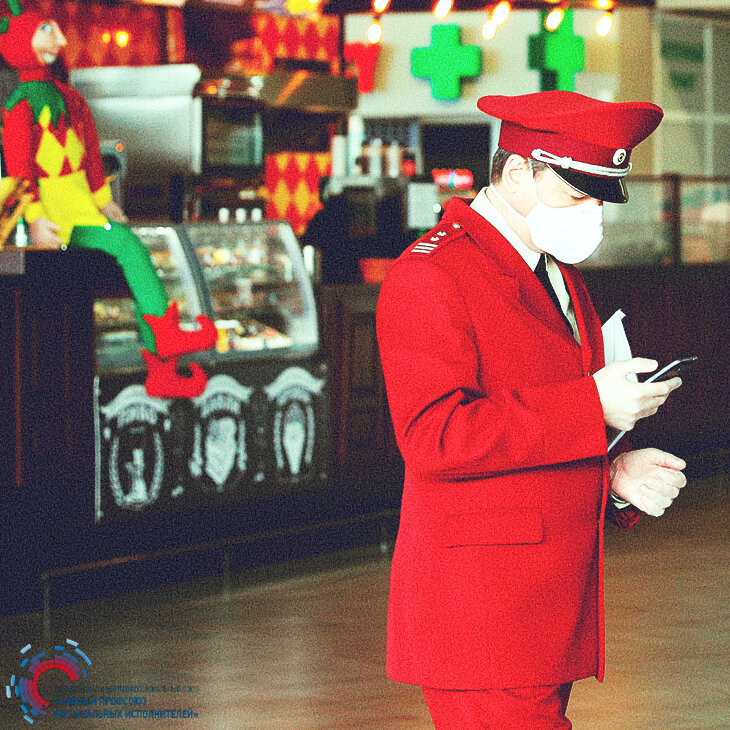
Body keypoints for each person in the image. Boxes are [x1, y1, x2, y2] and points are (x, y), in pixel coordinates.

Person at [376, 90, 688, 729]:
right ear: (517, 171)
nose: (592, 214)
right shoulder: (432, 275)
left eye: (600, 199)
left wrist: (615, 474)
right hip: (483, 611)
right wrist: (593, 404)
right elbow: (435, 436)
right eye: (576, 195)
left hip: (542, 605)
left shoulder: (554, 269)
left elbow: (541, 417)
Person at [0, 2, 216, 398]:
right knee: (130, 249)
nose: (59, 39)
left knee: (129, 255)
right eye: (46, 30)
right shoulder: (20, 107)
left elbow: (91, 159)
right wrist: (35, 216)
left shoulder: (71, 100)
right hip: (60, 214)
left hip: (79, 207)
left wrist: (102, 200)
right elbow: (20, 169)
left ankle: (162, 359)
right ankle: (163, 348)